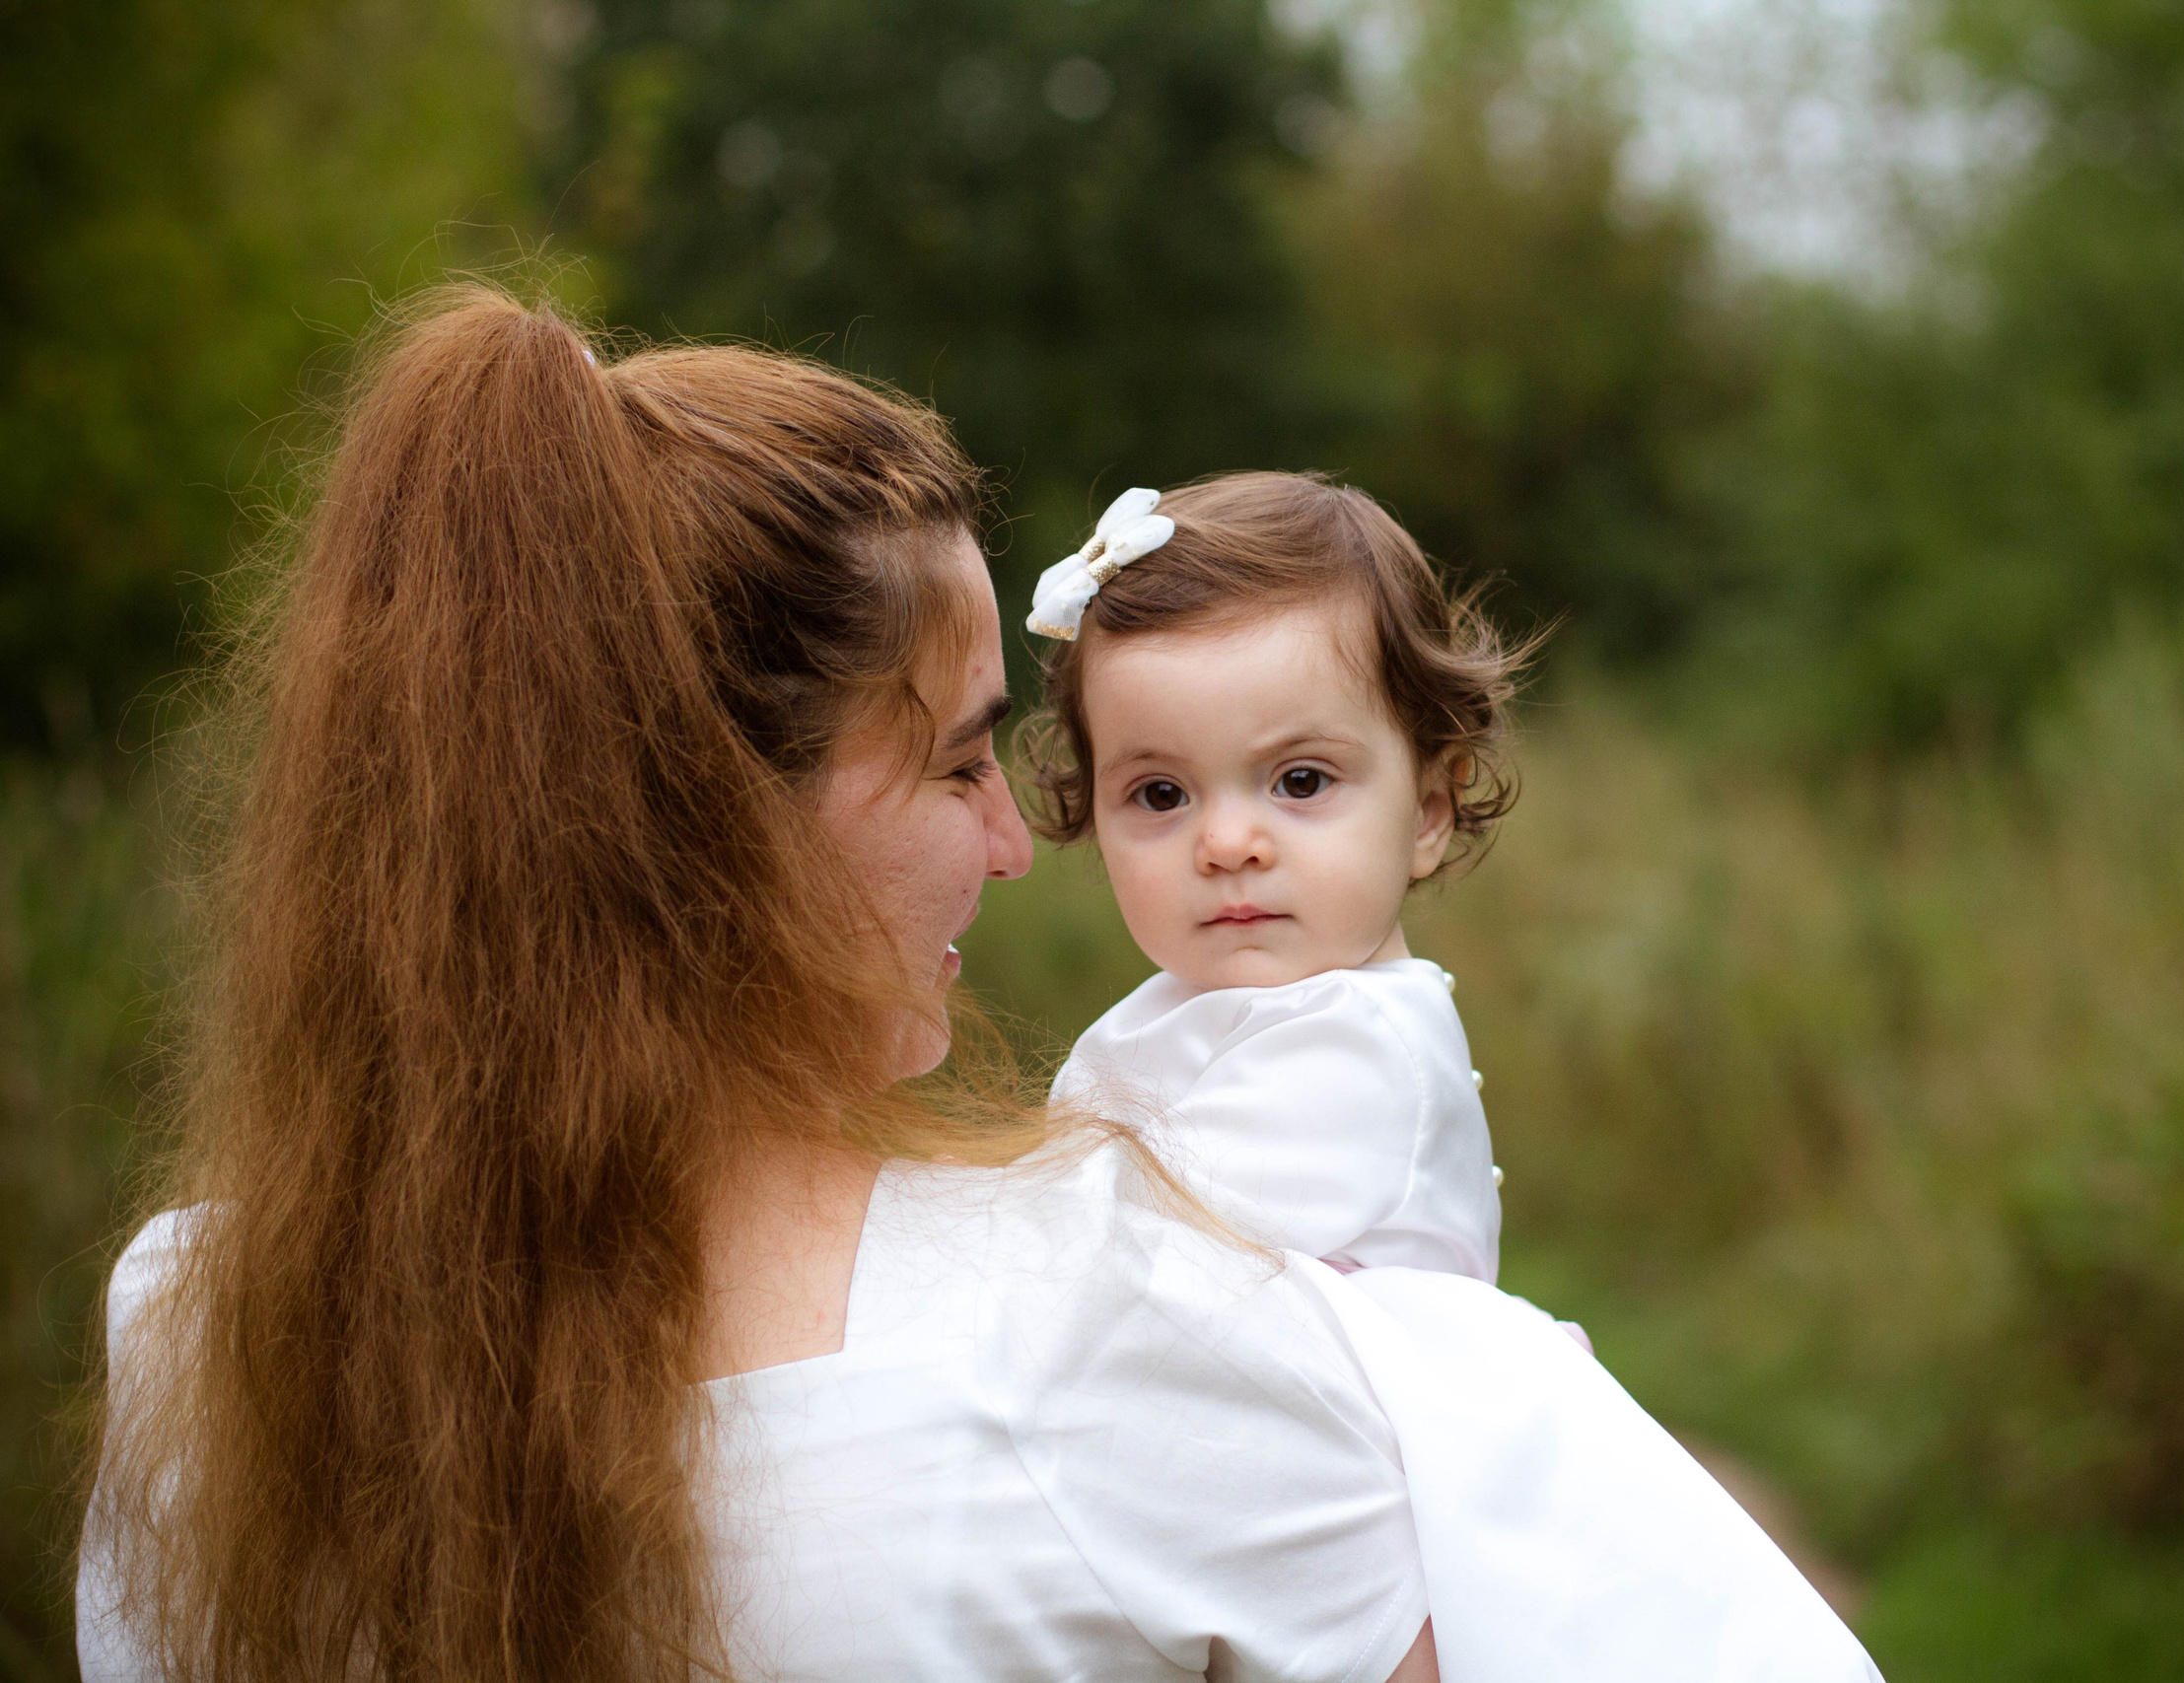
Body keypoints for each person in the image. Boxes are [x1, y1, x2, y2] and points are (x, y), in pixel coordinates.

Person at [79, 289, 1440, 1683]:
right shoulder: (1107, 1319)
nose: (1017, 842)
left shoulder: (194, 1332)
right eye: (961, 761)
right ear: (721, 824)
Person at [1021, 474, 1884, 1682]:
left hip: (1365, 1519)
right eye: (1159, 795)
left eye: (1300, 781)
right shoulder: (1222, 1007)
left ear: (1428, 808)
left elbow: (1147, 1274)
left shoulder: (1352, 1048)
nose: (1226, 840)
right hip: (1252, 1484)